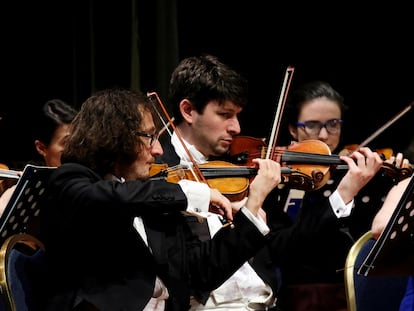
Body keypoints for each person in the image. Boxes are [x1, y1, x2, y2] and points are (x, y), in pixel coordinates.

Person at [39, 88, 282, 311]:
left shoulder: (149, 197)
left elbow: (199, 273)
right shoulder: (70, 181)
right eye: (149, 137)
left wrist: (251, 209)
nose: (157, 150)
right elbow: (104, 199)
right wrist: (189, 194)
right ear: (115, 136)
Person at [155, 54, 281, 310]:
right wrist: (252, 206)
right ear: (188, 111)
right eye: (225, 114)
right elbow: (199, 275)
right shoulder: (161, 176)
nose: (236, 127)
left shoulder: (233, 167)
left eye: (237, 115)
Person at [263, 80, 401, 311]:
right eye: (312, 125)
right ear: (292, 129)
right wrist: (342, 194)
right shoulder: (279, 179)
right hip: (296, 300)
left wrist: (397, 180)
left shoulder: (359, 174)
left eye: (333, 124)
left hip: (358, 294)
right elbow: (280, 248)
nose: (325, 135)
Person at [0, 99, 77, 215]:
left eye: (78, 141)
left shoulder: (90, 184)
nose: (76, 150)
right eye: (66, 143)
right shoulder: (19, 194)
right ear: (41, 148)